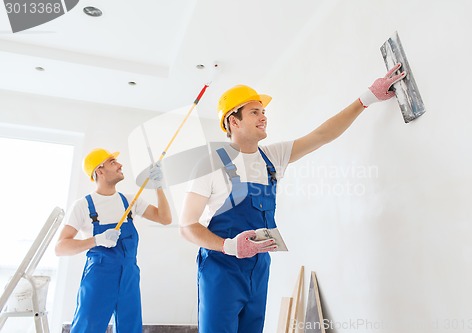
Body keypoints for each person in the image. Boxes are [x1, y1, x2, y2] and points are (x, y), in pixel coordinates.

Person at [179, 64, 406, 333]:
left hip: (259, 266)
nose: (263, 118)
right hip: (221, 267)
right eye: (255, 112)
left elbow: (322, 135)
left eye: (264, 112)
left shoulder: (271, 158)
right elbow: (187, 226)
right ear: (233, 121)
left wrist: (366, 98)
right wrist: (230, 246)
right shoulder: (210, 165)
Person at [55, 148, 172, 333]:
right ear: (99, 171)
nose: (120, 164)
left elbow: (165, 218)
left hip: (130, 277)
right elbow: (60, 248)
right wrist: (97, 240)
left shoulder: (129, 201)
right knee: (88, 328)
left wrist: (159, 186)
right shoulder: (83, 205)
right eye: (112, 162)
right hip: (99, 277)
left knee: (130, 329)